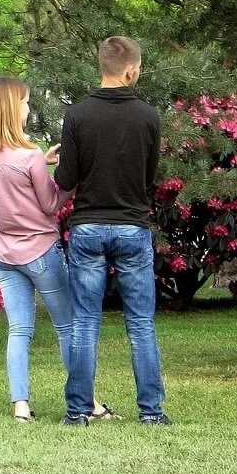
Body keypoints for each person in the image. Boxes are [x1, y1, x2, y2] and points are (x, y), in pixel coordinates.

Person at [0, 76, 113, 423]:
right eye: (24, 102)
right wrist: (73, 180)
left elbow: (12, 188)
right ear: (11, 109)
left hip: (4, 254)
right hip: (40, 252)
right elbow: (51, 204)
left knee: (19, 330)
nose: (27, 108)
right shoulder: (30, 155)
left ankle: (20, 406)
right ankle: (90, 403)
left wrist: (44, 165)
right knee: (67, 327)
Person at [55, 36, 171, 427]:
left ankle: (77, 411)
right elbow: (149, 177)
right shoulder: (148, 116)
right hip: (132, 226)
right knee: (140, 322)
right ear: (131, 69)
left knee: (85, 322)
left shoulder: (77, 116)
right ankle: (151, 412)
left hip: (87, 225)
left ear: (100, 65)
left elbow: (66, 178)